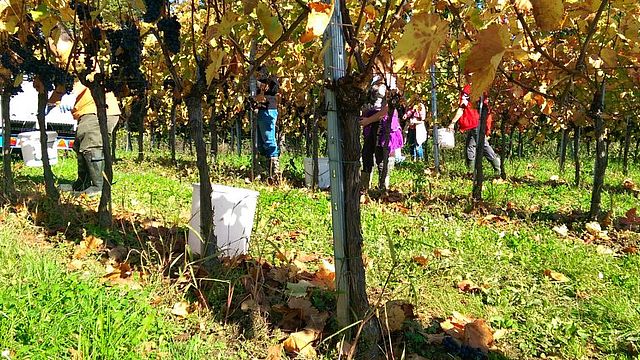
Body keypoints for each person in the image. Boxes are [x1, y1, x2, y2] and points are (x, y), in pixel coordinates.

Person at [49, 31, 121, 196]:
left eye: (51, 42)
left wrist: (71, 95)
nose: (50, 47)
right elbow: (63, 86)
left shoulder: (76, 54)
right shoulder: (63, 59)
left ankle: (98, 186)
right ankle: (81, 184)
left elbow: (88, 77)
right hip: (88, 110)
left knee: (91, 144)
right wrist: (49, 103)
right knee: (80, 145)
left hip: (99, 109)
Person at [359, 60, 404, 190]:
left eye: (375, 63)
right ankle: (364, 187)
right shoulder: (374, 79)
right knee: (367, 152)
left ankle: (383, 187)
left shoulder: (389, 81)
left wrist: (369, 120)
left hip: (382, 123)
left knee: (381, 154)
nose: (372, 66)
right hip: (371, 122)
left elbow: (388, 108)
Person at [447, 75, 500, 175]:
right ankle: (471, 172)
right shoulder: (481, 88)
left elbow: (462, 108)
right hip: (479, 121)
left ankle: (497, 167)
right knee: (470, 146)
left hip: (474, 121)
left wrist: (453, 123)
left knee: (483, 145)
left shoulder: (468, 89)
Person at [254, 66, 280, 182]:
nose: (258, 75)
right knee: (261, 143)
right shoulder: (257, 80)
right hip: (261, 111)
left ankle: (275, 173)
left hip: (268, 110)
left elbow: (274, 89)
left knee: (269, 140)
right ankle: (265, 174)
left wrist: (261, 89)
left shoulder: (271, 78)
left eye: (259, 73)